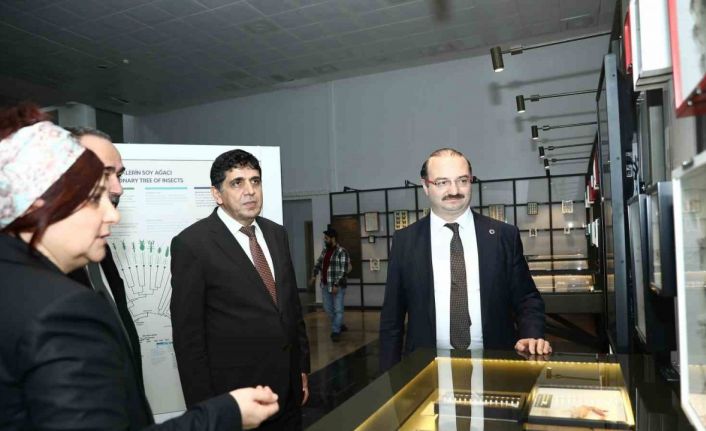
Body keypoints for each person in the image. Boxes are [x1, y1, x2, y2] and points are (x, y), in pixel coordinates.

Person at [0, 103, 279, 430]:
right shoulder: (62, 310)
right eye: (94, 198)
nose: (113, 214)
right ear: (40, 203)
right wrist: (223, 413)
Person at [170, 149, 311, 430]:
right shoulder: (193, 245)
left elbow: (291, 308)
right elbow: (188, 338)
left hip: (288, 391)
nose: (250, 191)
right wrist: (207, 410)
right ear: (217, 194)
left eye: (255, 181)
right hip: (235, 399)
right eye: (237, 183)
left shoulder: (276, 234)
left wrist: (301, 368)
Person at [379, 148, 551, 371]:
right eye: (442, 182)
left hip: (495, 364)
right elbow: (392, 318)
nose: (454, 191)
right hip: (426, 366)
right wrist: (389, 377)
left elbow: (527, 298)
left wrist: (531, 335)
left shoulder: (502, 236)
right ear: (426, 186)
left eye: (462, 180)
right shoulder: (405, 241)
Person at [64, 127, 144, 388]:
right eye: (105, 174)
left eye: (119, 175)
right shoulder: (35, 278)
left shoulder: (101, 249)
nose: (118, 188)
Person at [309, 227, 351, 342]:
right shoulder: (325, 251)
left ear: (333, 239)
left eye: (326, 238)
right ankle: (339, 324)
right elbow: (318, 264)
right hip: (325, 285)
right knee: (328, 309)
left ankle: (336, 331)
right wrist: (314, 275)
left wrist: (336, 285)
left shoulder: (342, 252)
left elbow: (343, 271)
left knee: (338, 310)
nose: (324, 240)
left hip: (337, 286)